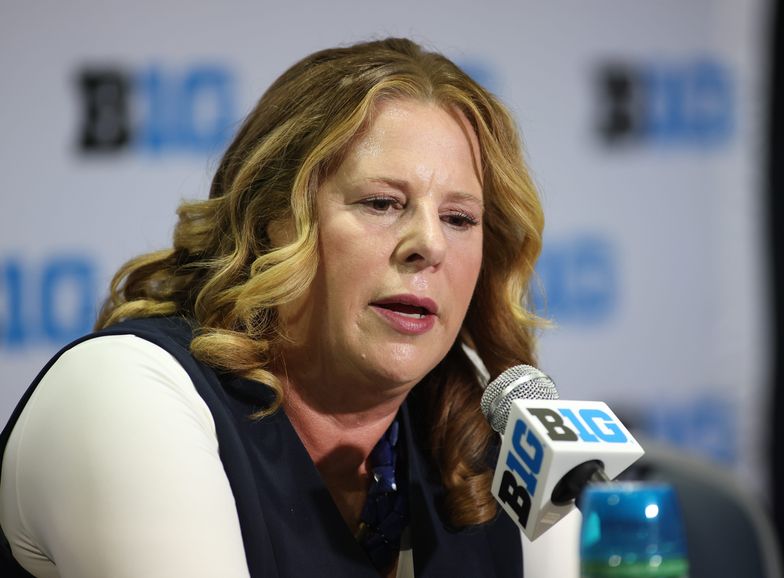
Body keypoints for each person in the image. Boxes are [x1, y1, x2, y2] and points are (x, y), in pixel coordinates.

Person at [0, 37, 546, 577]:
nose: (429, 244)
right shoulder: (125, 393)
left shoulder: (482, 426)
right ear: (271, 222)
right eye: (381, 203)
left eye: (459, 218)